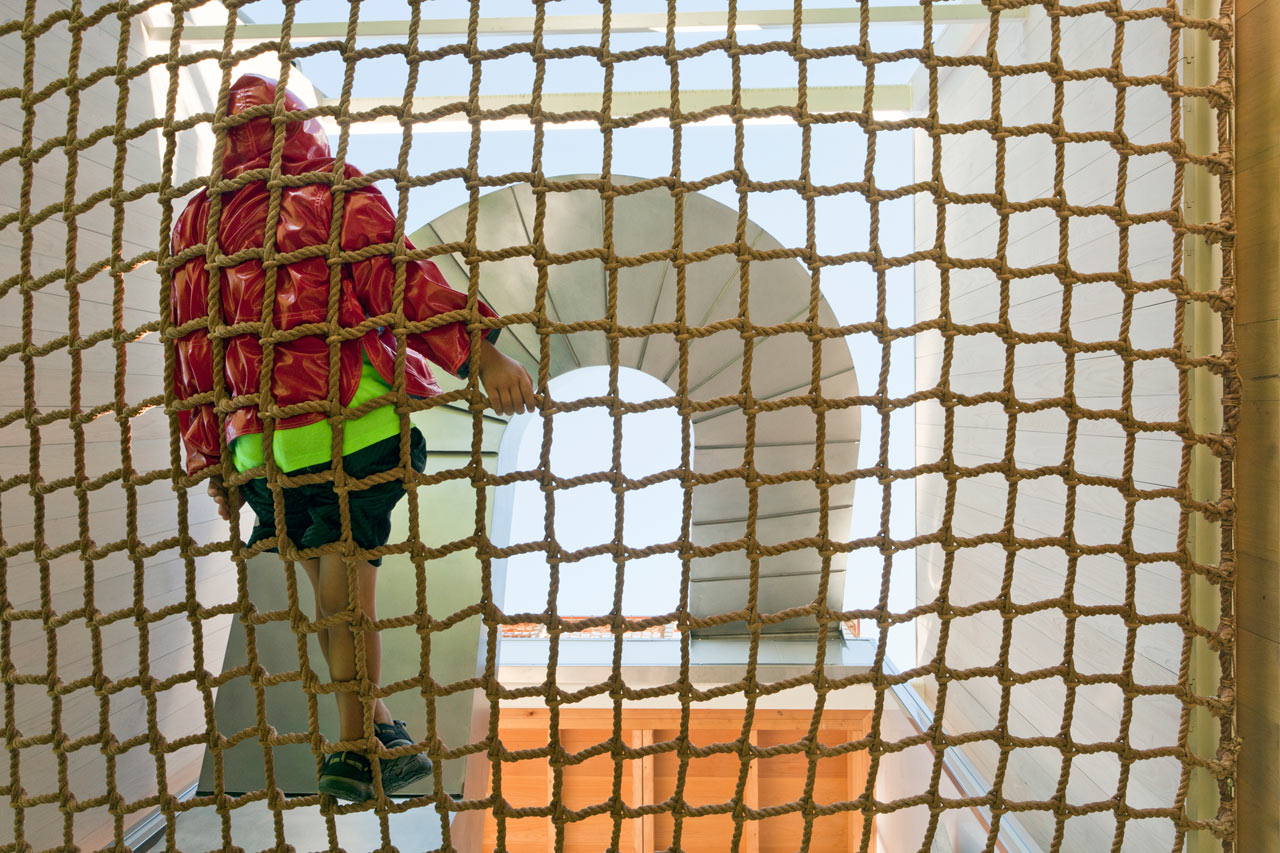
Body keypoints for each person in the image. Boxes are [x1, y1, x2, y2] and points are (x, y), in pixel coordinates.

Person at [170, 74, 535, 802]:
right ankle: (354, 745)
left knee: (332, 603)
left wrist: (213, 459)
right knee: (347, 600)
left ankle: (382, 732)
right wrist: (482, 351)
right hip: (348, 424)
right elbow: (398, 282)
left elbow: (194, 350)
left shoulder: (198, 223)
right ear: (297, 127)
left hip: (260, 452)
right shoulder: (328, 191)